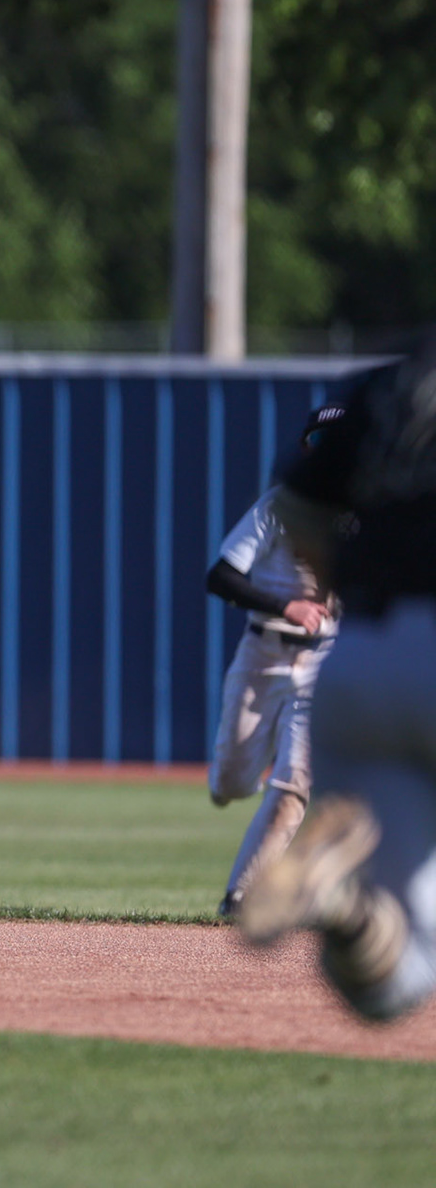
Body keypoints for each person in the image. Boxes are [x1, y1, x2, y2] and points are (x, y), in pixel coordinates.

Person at [237, 339, 436, 1021]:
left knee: (395, 982)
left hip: (360, 668)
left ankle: (340, 907)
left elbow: (297, 506)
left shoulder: (385, 388)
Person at [203, 405, 345, 918]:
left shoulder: (374, 513)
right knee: (232, 781)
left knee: (293, 787)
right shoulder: (278, 506)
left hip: (325, 661)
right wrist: (287, 604)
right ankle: (237, 782)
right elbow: (220, 577)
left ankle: (240, 897)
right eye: (321, 442)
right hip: (263, 651)